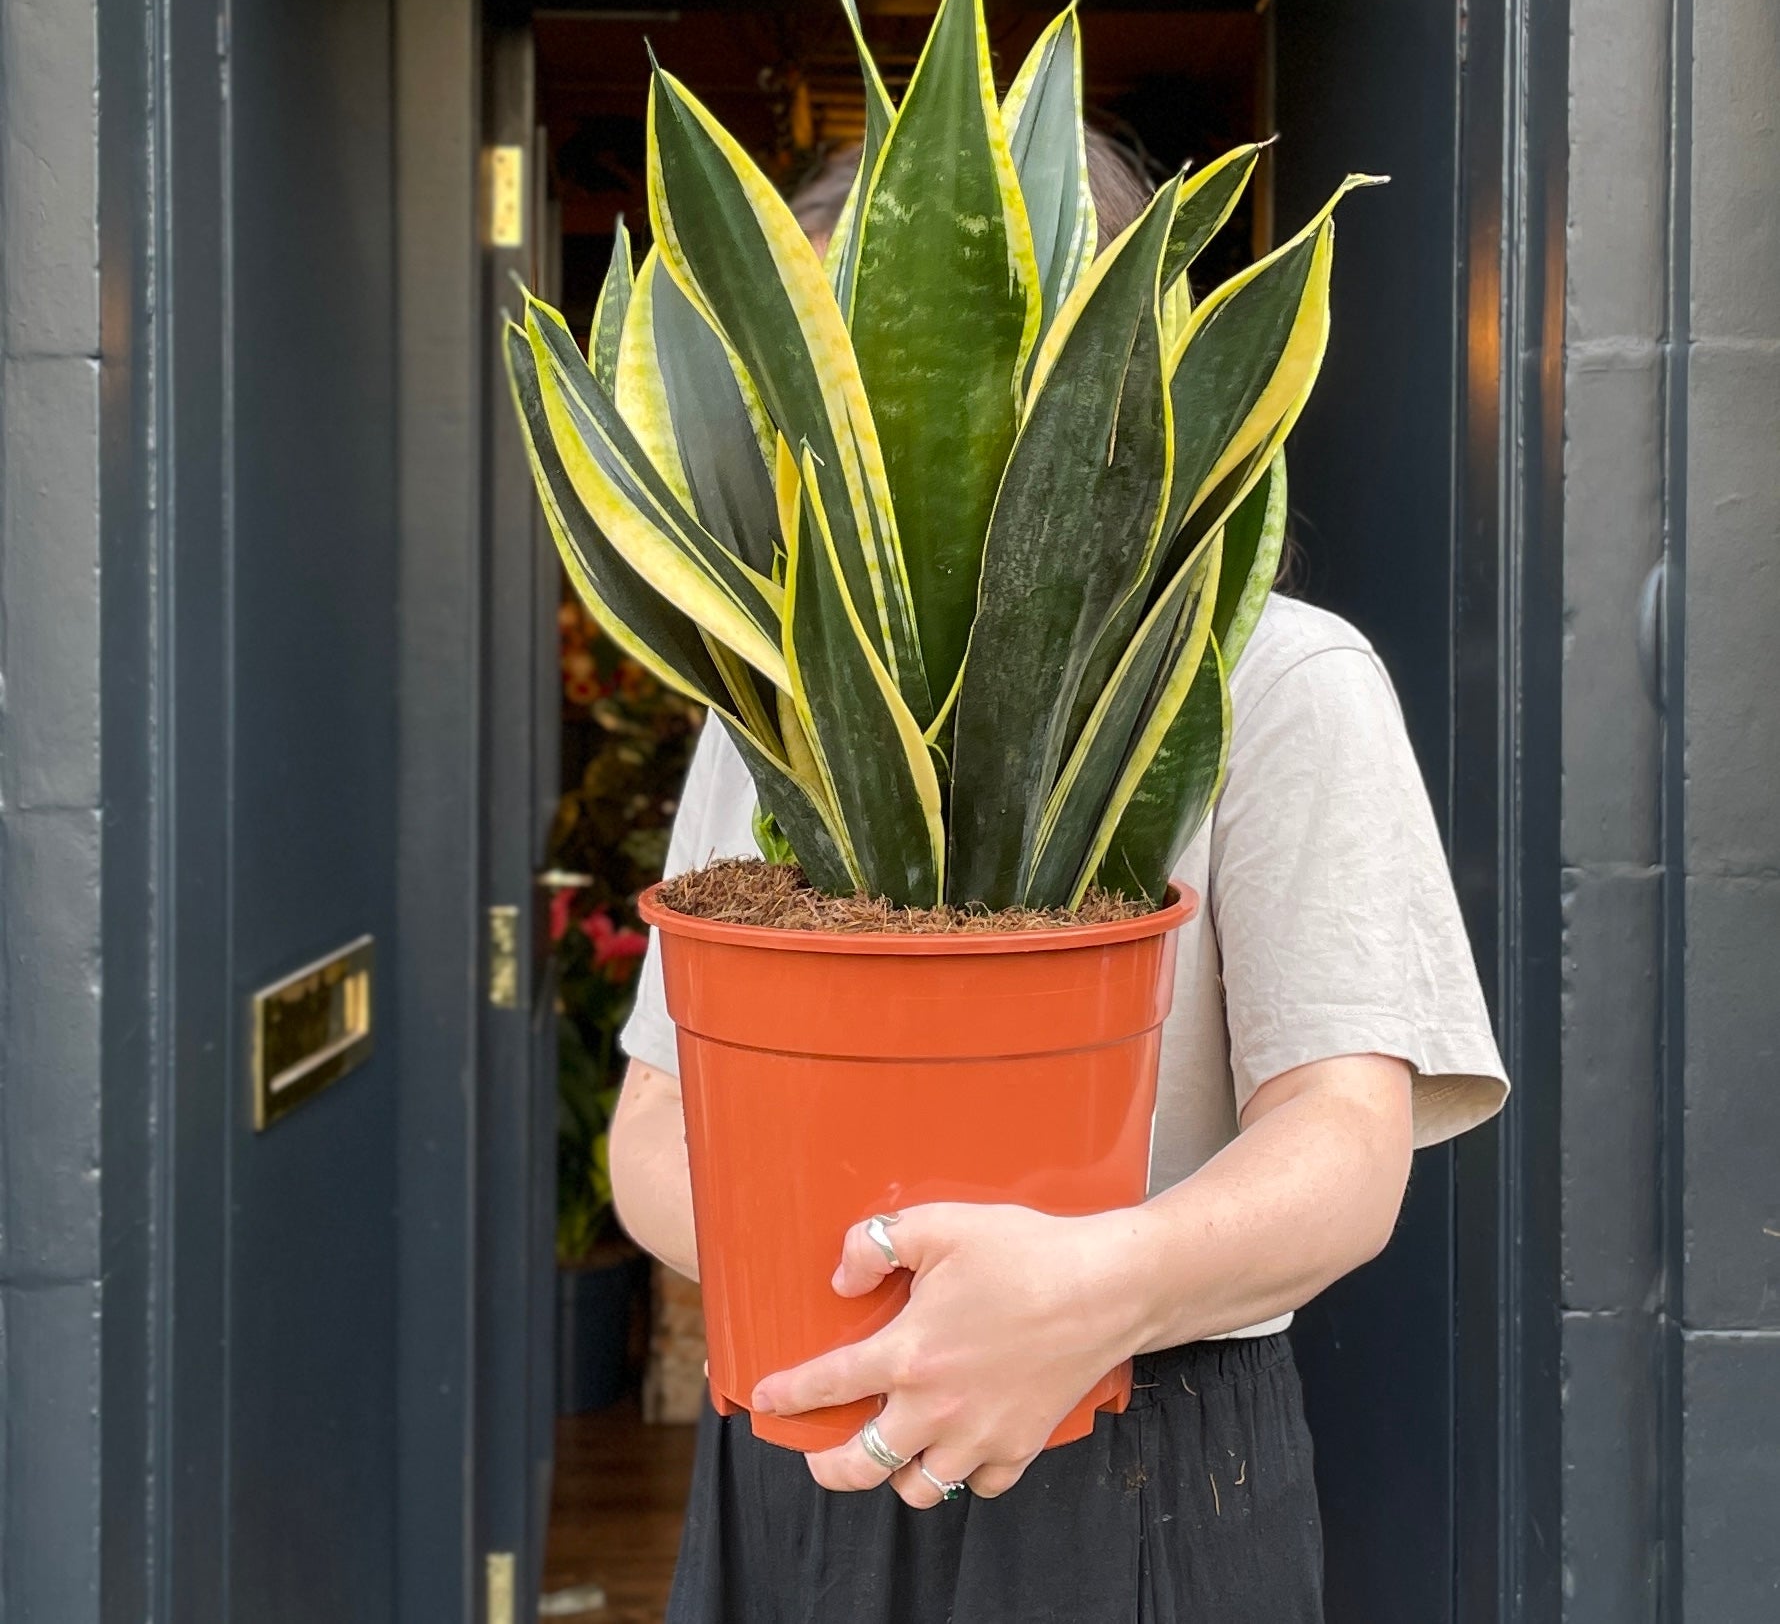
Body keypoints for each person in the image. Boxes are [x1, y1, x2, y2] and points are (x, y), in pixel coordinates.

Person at [609, 133, 1509, 1623]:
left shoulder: (1279, 679)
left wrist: (1081, 1292)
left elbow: (1347, 1148)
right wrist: (891, 1316)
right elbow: (656, 1120)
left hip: (1133, 1450)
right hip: (810, 1433)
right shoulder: (771, 696)